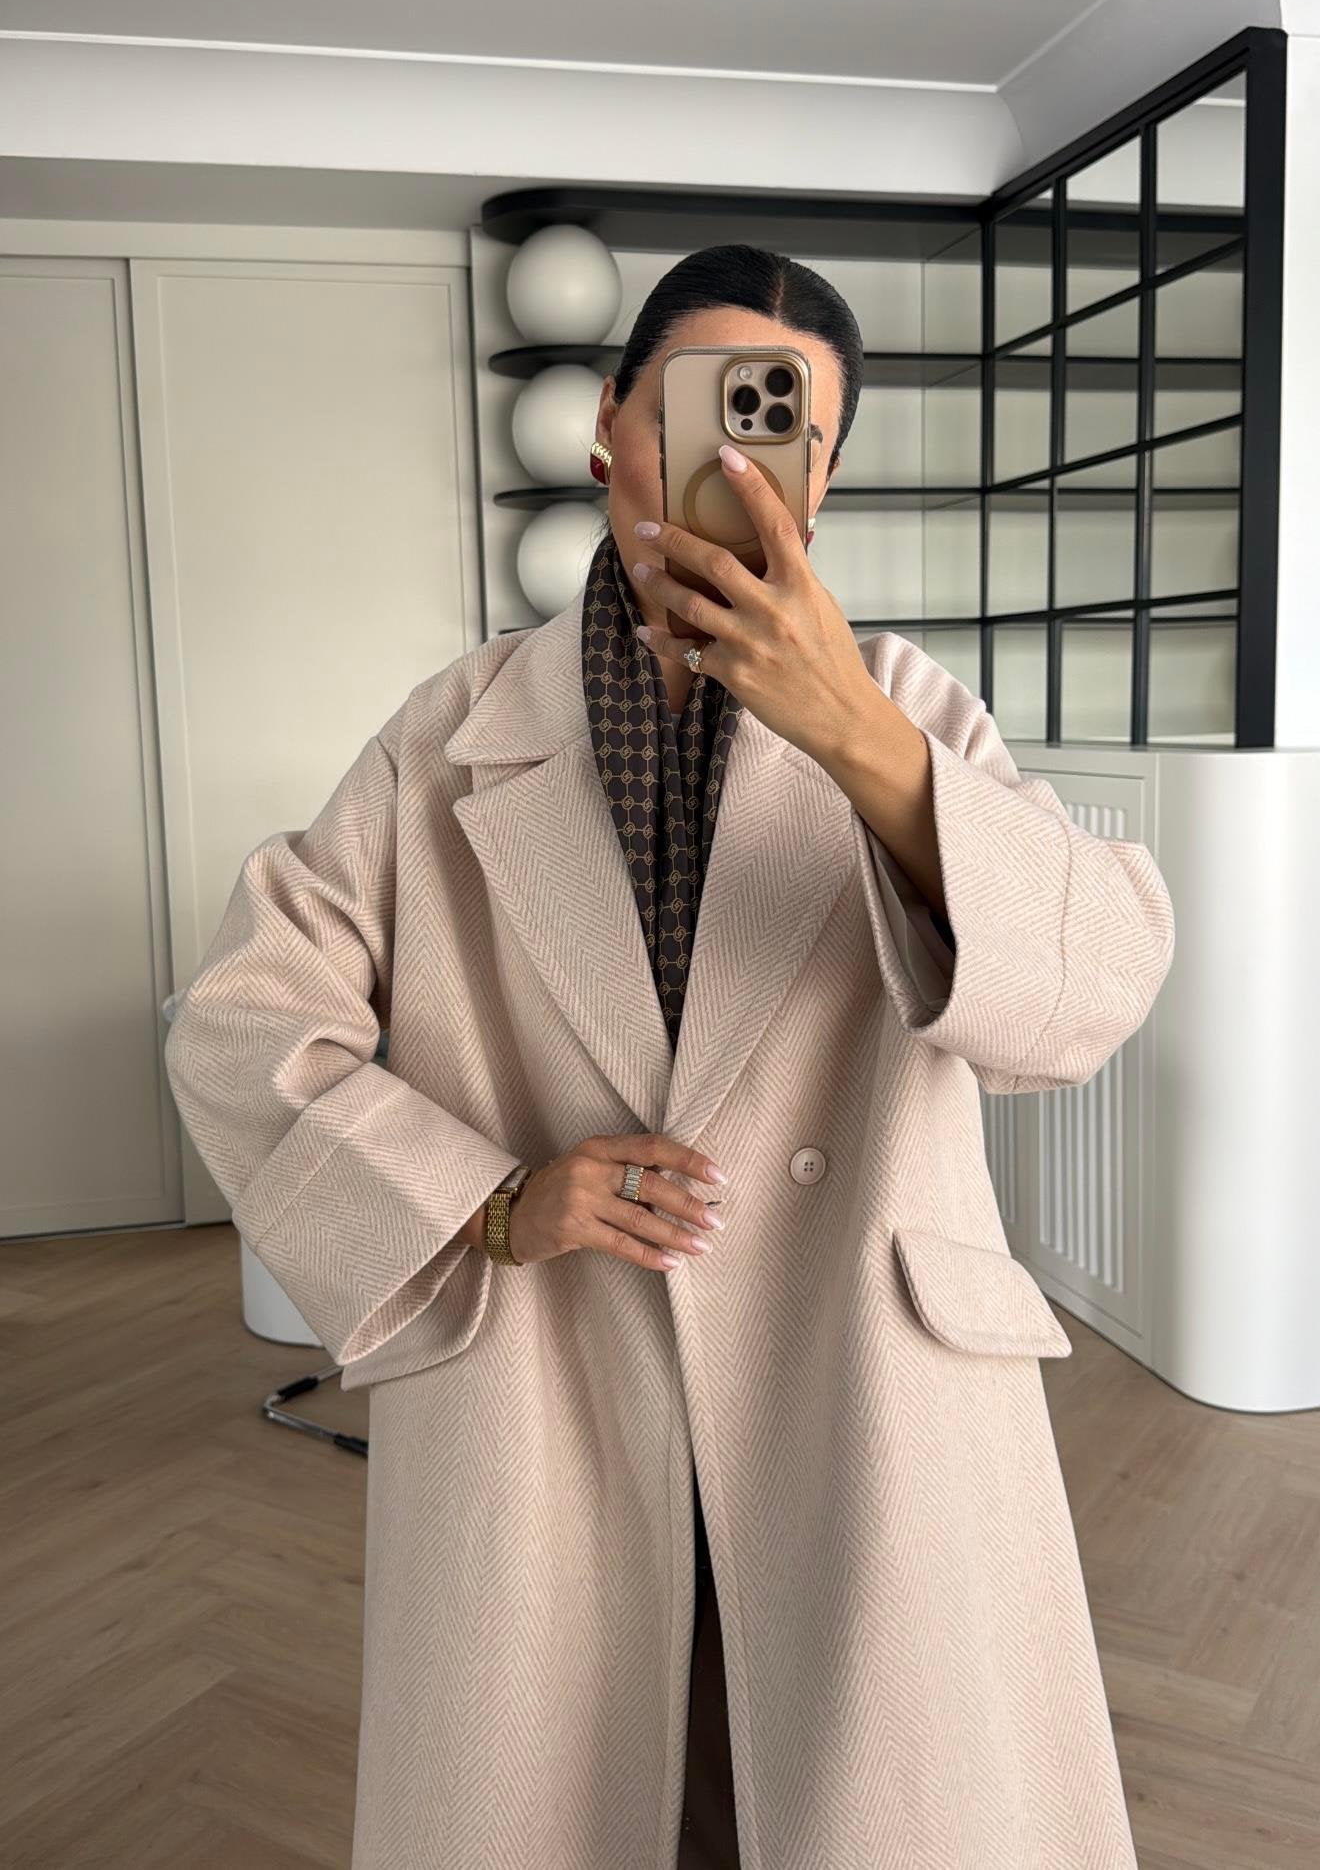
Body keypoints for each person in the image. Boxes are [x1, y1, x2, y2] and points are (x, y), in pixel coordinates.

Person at [164, 243, 1175, 1870]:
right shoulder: (449, 733)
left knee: (866, 1799)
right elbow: (241, 1022)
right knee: (579, 1792)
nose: (736, 463)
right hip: (551, 1376)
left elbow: (1094, 990)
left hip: (861, 1374)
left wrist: (856, 739)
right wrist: (487, 1201)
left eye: (788, 432)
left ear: (823, 483)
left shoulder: (908, 708)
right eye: (694, 410)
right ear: (608, 429)